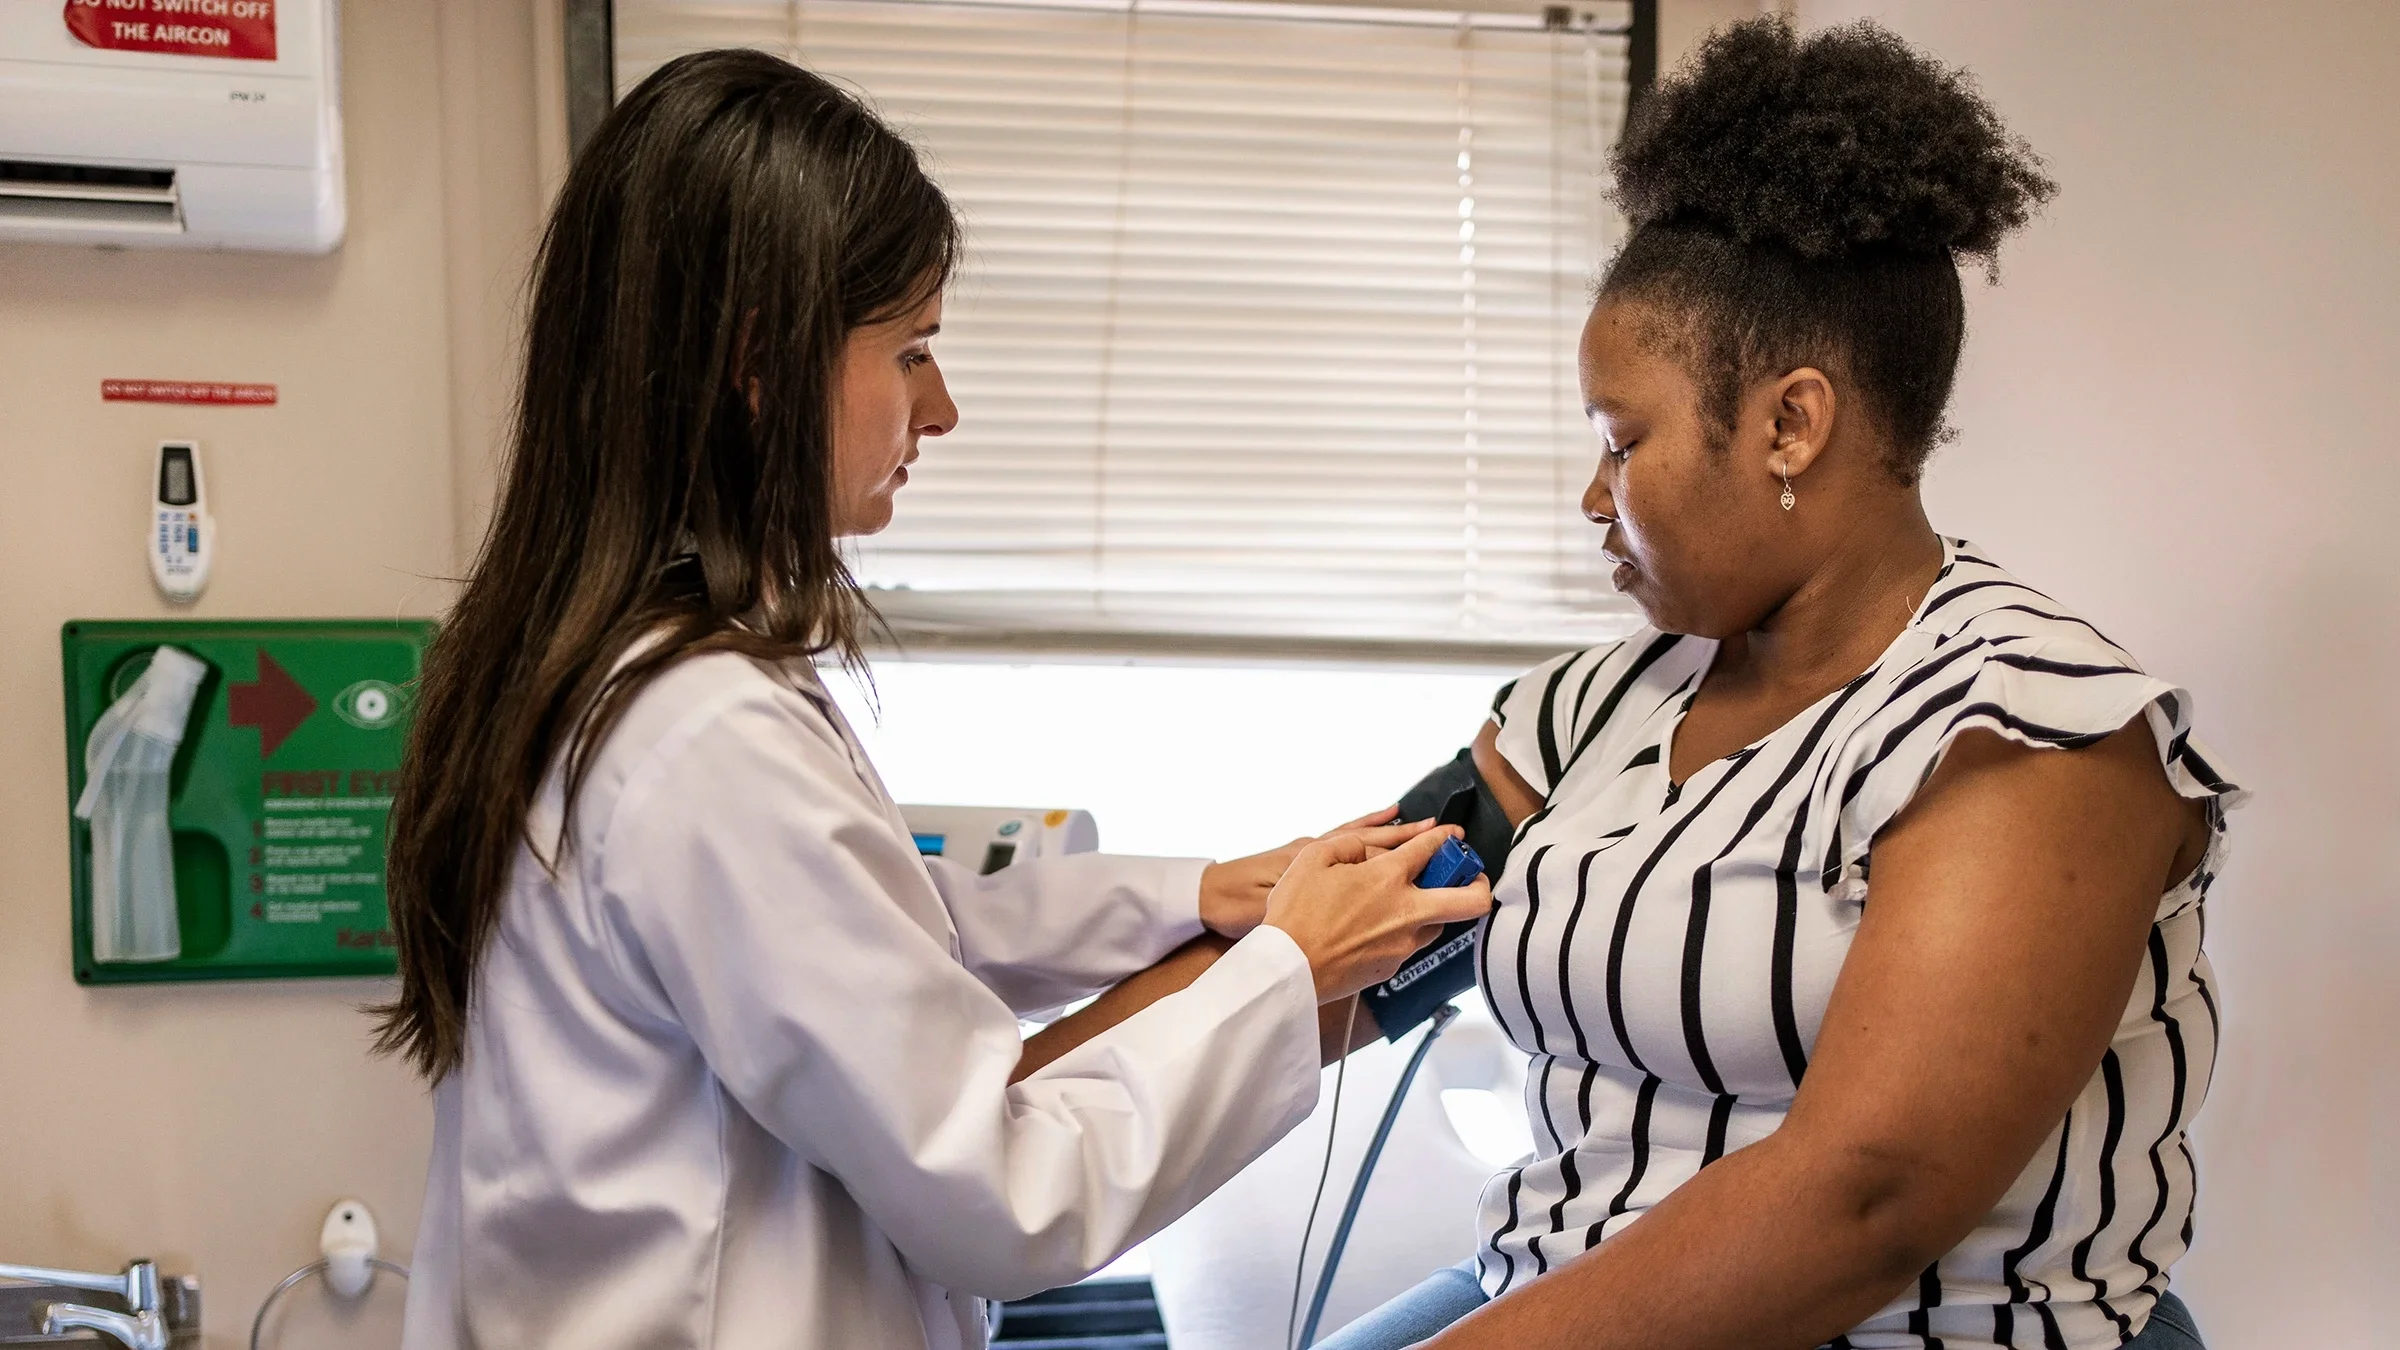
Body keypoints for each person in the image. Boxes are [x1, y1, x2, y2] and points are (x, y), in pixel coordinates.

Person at [372, 49, 1489, 1350]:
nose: (939, 408)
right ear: (757, 360)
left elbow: (882, 923)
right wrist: (1296, 969)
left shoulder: (593, 677)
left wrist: (1196, 893)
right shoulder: (708, 739)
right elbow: (1002, 1196)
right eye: (910, 350)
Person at [1310, 18, 2242, 1350]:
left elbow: (1866, 1201)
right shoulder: (1591, 709)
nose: (1592, 497)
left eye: (1621, 441)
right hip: (1549, 1289)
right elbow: (1341, 940)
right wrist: (991, 1103)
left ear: (1790, 424)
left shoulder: (2033, 730)